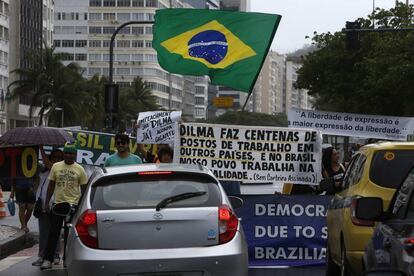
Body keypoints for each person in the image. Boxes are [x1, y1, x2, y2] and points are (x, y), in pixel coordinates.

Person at [40, 142, 88, 270]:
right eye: (66, 152)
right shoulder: (56, 166)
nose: (68, 155)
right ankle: (47, 259)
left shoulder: (80, 169)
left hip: (73, 206)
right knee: (53, 232)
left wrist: (82, 206)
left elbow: (84, 189)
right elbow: (51, 185)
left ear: (75, 154)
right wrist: (46, 203)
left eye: (71, 153)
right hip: (58, 204)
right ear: (64, 154)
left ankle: (67, 259)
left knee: (69, 234)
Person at [32, 148, 63, 266]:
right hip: (43, 206)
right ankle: (42, 256)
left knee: (55, 232)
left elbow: (46, 162)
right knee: (44, 232)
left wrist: (40, 148)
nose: (56, 160)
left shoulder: (60, 170)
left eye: (59, 158)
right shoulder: (43, 173)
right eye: (54, 157)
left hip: (56, 205)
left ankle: (55, 256)